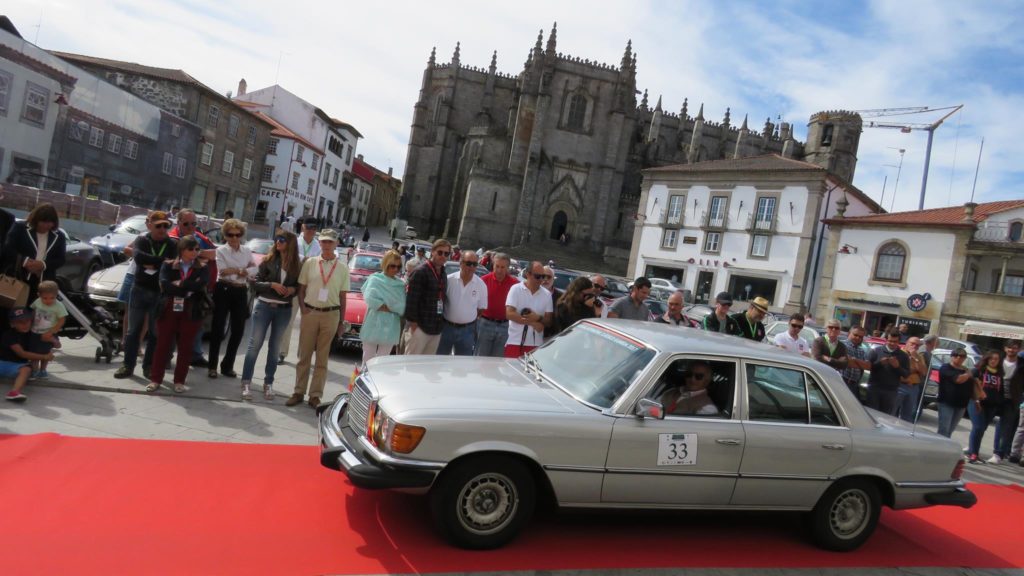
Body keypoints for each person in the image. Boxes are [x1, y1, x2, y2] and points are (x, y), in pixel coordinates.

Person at [288, 229, 349, 409]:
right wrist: (304, 307)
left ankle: (315, 395)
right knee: (304, 354)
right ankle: (298, 391)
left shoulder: (343, 267)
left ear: (336, 243)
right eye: (323, 241)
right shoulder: (310, 263)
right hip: (311, 312)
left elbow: (343, 296)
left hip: (331, 314)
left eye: (330, 242)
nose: (326, 245)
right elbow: (301, 288)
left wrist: (341, 322)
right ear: (319, 243)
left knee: (322, 358)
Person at [114, 211, 177, 380]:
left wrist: (156, 262)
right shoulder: (142, 240)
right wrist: (161, 261)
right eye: (159, 226)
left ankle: (149, 366)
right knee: (133, 330)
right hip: (140, 289)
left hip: (159, 292)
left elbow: (171, 264)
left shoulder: (171, 244)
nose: (162, 229)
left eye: (166, 226)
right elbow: (138, 256)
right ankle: (128, 365)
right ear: (150, 226)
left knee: (155, 333)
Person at [240, 230, 300, 402]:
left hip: (284, 309)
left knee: (274, 349)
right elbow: (254, 283)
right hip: (264, 306)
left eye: (282, 239)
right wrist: (272, 285)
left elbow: (298, 286)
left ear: (290, 243)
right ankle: (246, 383)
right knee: (254, 345)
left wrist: (292, 290)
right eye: (277, 239)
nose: (278, 242)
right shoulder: (268, 260)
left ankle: (269, 384)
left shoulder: (297, 264)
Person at [147, 235, 210, 393]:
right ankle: (155, 379)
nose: (195, 252)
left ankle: (179, 381)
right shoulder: (168, 265)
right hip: (169, 306)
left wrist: (181, 283)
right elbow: (165, 285)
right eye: (191, 249)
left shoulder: (202, 267)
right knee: (163, 344)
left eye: (197, 249)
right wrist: (187, 286)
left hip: (191, 308)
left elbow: (200, 286)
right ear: (182, 250)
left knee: (186, 346)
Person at [169, 209, 216, 369]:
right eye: (186, 223)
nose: (191, 227)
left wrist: (195, 252)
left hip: (197, 292)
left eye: (194, 223)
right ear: (179, 223)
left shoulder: (200, 238)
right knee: (172, 323)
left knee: (196, 323)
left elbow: (214, 254)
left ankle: (194, 356)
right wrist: (198, 255)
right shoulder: (172, 238)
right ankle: (167, 357)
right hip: (177, 292)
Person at [208, 219, 253, 380]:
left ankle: (227, 365)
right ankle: (212, 365)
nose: (234, 238)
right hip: (223, 289)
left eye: (237, 234)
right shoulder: (220, 250)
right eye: (230, 234)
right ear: (225, 235)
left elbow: (254, 269)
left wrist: (237, 270)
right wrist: (243, 270)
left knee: (238, 330)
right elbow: (222, 272)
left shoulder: (247, 251)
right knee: (218, 328)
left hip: (240, 291)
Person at [2, 203, 66, 307]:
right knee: (14, 312)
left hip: (42, 282)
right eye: (43, 222)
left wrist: (43, 265)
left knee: (36, 314)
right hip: (18, 277)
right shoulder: (20, 228)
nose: (46, 226)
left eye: (50, 223)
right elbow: (8, 249)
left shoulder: (59, 236)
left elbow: (61, 259)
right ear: (36, 219)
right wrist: (26, 261)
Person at [278, 218, 322, 364]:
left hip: (311, 288)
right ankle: (282, 352)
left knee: (308, 324)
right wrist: (307, 259)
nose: (311, 230)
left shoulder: (319, 245)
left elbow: (322, 263)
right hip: (294, 285)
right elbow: (288, 257)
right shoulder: (294, 242)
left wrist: (306, 260)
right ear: (302, 227)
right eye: (308, 227)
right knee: (288, 320)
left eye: (314, 227)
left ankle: (302, 355)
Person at [402, 238, 450, 355]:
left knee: (426, 368)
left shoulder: (443, 273)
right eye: (440, 252)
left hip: (435, 328)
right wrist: (414, 325)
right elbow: (412, 300)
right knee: (411, 365)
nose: (443, 256)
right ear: (432, 252)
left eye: (446, 253)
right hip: (420, 328)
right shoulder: (420, 272)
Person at [359, 250, 406, 363]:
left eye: (398, 267)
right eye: (392, 266)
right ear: (385, 264)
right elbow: (370, 299)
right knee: (367, 359)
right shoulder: (374, 279)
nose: (395, 269)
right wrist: (392, 306)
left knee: (382, 361)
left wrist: (383, 304)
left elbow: (401, 306)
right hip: (373, 323)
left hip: (391, 327)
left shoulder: (401, 285)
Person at [437, 251, 487, 356]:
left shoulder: (481, 285)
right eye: (468, 263)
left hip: (467, 331)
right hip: (446, 328)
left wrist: (466, 318)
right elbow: (440, 301)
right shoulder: (449, 280)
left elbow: (481, 309)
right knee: (439, 361)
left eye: (474, 264)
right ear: (461, 263)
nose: (471, 267)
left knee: (463, 366)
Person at [504, 261, 552, 358]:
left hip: (536, 345)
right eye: (537, 276)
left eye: (543, 276)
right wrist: (533, 322)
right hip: (515, 341)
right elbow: (509, 314)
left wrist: (537, 317)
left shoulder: (547, 294)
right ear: (528, 274)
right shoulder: (515, 289)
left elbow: (549, 321)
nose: (541, 280)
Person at [2, 307, 51, 402]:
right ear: (12, 324)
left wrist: (51, 341)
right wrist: (44, 357)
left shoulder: (33, 334)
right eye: (20, 322)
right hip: (1, 362)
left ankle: (14, 392)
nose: (25, 324)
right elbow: (22, 354)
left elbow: (57, 345)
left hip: (16, 366)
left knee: (26, 369)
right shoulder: (8, 334)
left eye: (27, 320)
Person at [965, 350, 1005, 464]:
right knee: (978, 427)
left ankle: (973, 451)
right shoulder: (978, 370)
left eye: (996, 359)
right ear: (987, 359)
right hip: (977, 403)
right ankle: (973, 454)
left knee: (981, 429)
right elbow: (968, 382)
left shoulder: (1000, 374)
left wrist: (999, 403)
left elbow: (1001, 391)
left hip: (992, 406)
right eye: (991, 358)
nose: (993, 361)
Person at [476, 253, 518, 357]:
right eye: (497, 266)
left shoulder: (515, 284)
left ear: (508, 268)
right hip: (485, 324)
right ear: (493, 265)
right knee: (480, 358)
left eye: (503, 267)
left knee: (498, 361)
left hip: (505, 326)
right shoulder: (483, 280)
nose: (499, 270)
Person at [28, 280, 67, 378]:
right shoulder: (37, 302)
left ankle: (43, 370)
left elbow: (62, 320)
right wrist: (29, 324)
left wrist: (52, 331)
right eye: (45, 298)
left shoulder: (58, 306)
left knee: (46, 352)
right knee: (34, 353)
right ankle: (35, 370)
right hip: (35, 331)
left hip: (48, 332)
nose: (48, 301)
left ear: (56, 295)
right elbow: (33, 312)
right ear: (39, 295)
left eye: (52, 298)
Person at [866, 330, 910, 415]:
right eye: (890, 341)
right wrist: (880, 364)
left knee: (885, 417)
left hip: (891, 392)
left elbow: (906, 375)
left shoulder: (903, 356)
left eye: (895, 341)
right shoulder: (876, 351)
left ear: (899, 342)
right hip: (874, 389)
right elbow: (868, 367)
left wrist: (897, 367)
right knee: (871, 415)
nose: (892, 343)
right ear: (886, 340)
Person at [936, 347, 975, 438]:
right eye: (955, 355)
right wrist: (969, 374)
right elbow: (958, 380)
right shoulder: (946, 368)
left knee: (950, 430)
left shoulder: (965, 370)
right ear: (951, 356)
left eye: (962, 356)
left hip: (961, 405)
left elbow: (972, 386)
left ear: (965, 358)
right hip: (946, 403)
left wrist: (976, 400)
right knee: (944, 430)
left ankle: (946, 448)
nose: (958, 357)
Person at [895, 336, 928, 423]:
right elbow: (900, 370)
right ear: (907, 343)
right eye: (912, 344)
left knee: (908, 415)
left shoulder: (919, 356)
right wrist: (915, 370)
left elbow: (924, 372)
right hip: (900, 385)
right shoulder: (899, 353)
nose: (915, 347)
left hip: (913, 387)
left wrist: (915, 359)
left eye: (917, 345)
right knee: (892, 411)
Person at [841, 326, 871, 401]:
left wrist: (855, 360)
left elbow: (867, 366)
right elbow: (848, 362)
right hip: (841, 381)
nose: (857, 338)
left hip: (854, 384)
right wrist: (859, 363)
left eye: (860, 337)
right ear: (849, 334)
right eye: (855, 335)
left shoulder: (862, 350)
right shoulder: (841, 345)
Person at [541, 266, 562, 339]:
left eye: (549, 277)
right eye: (543, 276)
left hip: (551, 337)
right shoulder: (532, 292)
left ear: (553, 279)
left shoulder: (562, 297)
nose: (546, 279)